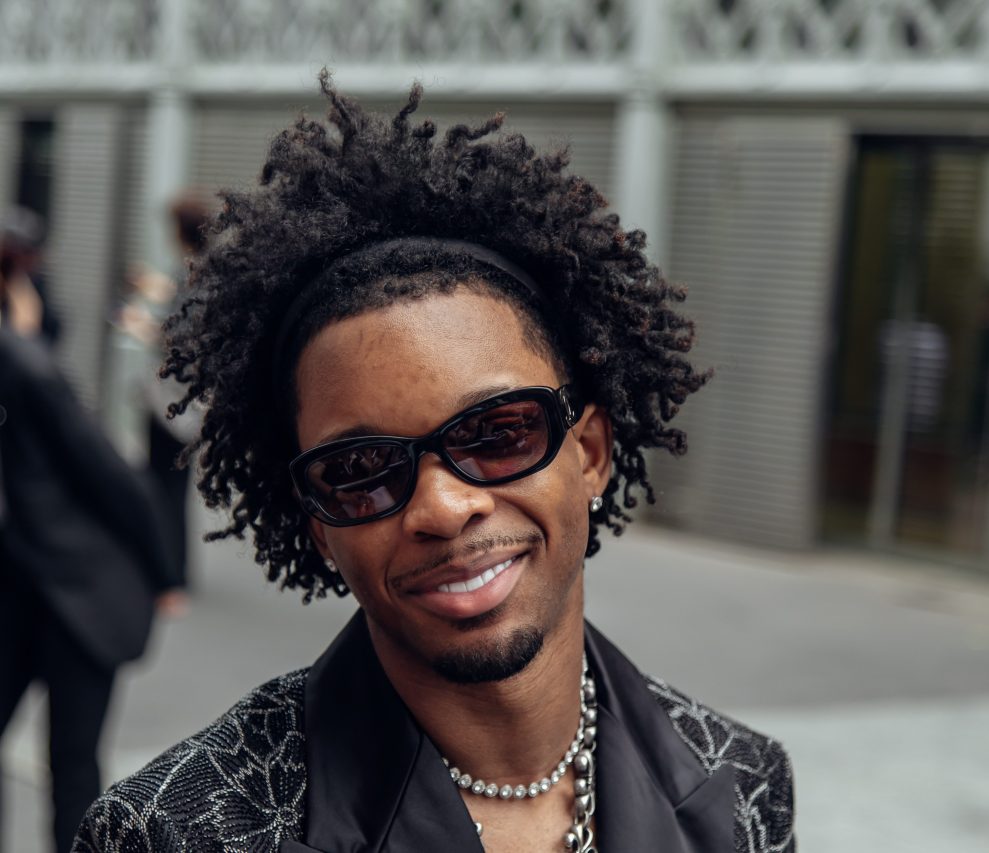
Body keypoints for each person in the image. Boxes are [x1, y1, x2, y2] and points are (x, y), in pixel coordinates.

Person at [73, 76, 795, 853]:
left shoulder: (744, 784)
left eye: (497, 432)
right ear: (318, 527)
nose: (443, 507)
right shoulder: (172, 833)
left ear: (589, 453)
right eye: (360, 469)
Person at [0, 328, 181, 852]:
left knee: (72, 762)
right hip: (21, 589)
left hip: (82, 598)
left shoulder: (25, 369)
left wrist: (165, 573)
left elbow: (112, 476)